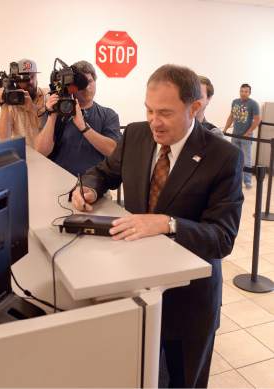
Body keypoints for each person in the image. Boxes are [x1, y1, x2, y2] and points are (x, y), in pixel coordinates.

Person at [72, 64, 243, 388]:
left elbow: (222, 238)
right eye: (149, 110)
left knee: (182, 380)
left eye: (165, 112)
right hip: (134, 289)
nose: (154, 121)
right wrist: (90, 187)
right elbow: (104, 171)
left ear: (195, 107)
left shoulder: (223, 156)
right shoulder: (136, 134)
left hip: (189, 301)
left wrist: (168, 223)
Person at [34, 60, 121, 176]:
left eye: (89, 81)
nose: (86, 87)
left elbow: (113, 151)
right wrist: (52, 115)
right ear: (71, 86)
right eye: (81, 84)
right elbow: (41, 151)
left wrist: (84, 128)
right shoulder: (57, 113)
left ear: (95, 82)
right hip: (60, 185)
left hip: (95, 186)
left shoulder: (108, 115)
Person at [0, 59, 47, 147]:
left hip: (46, 156)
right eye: (25, 79)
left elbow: (54, 129)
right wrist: (4, 103)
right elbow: (3, 138)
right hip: (24, 155)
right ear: (16, 80)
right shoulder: (11, 102)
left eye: (33, 76)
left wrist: (33, 109)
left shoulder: (47, 96)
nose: (30, 82)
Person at [223, 83, 260, 189]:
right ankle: (235, 179)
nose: (243, 93)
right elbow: (231, 116)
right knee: (235, 157)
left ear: (249, 92)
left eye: (246, 91)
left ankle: (247, 181)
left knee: (246, 158)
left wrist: (248, 132)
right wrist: (225, 129)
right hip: (235, 135)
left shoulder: (253, 104)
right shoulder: (235, 102)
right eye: (242, 91)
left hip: (246, 137)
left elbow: (257, 120)